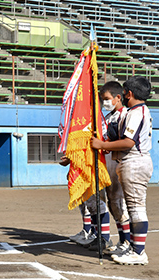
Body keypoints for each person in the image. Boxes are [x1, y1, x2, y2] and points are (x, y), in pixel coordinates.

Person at [91, 76, 153, 265]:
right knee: (131, 207)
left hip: (135, 161)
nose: (124, 96)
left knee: (135, 208)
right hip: (129, 161)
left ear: (129, 93)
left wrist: (101, 144)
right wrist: (108, 145)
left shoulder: (136, 112)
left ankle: (139, 252)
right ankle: (133, 247)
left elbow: (128, 142)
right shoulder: (136, 110)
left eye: (125, 92)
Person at [99, 81, 131, 256]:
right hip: (108, 163)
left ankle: (128, 241)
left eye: (107, 99)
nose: (105, 102)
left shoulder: (126, 115)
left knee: (120, 204)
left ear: (118, 97)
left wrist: (106, 144)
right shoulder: (109, 117)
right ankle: (122, 240)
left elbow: (125, 141)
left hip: (119, 163)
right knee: (113, 205)